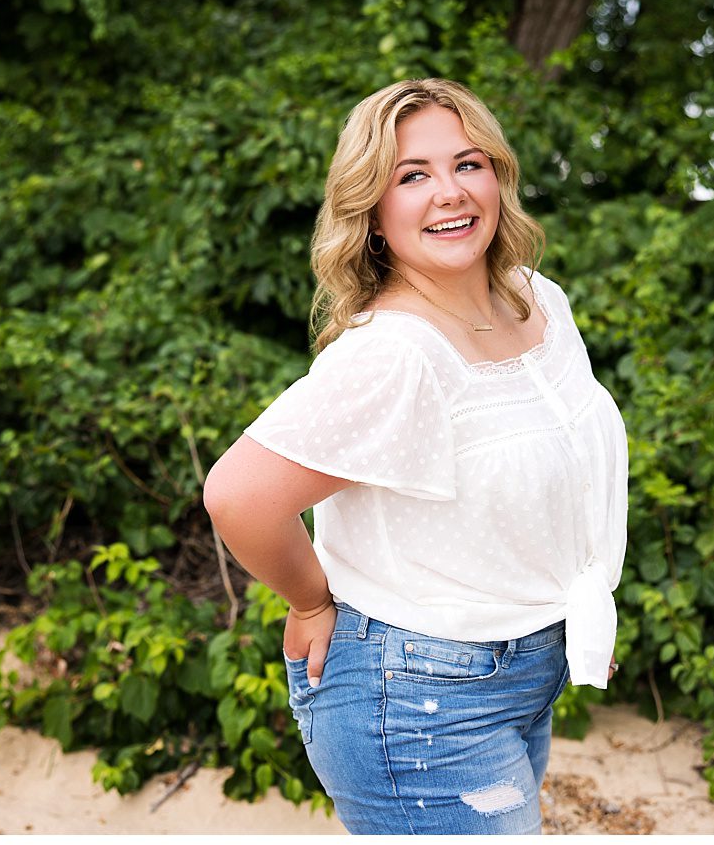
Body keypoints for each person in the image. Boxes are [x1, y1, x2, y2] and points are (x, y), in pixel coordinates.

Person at [203, 78, 628, 834]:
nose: (449, 193)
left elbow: (569, 474)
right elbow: (238, 495)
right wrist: (309, 599)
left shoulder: (538, 301)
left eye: (468, 164)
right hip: (421, 697)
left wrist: (570, 602)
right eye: (412, 176)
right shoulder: (396, 354)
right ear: (371, 213)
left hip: (521, 677)